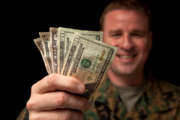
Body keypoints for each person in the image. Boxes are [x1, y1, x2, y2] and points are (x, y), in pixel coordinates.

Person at [17, 0, 180, 119]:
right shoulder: (62, 96)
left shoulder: (177, 100)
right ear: (101, 41)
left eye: (137, 34)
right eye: (116, 34)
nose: (126, 44)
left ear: (150, 40)